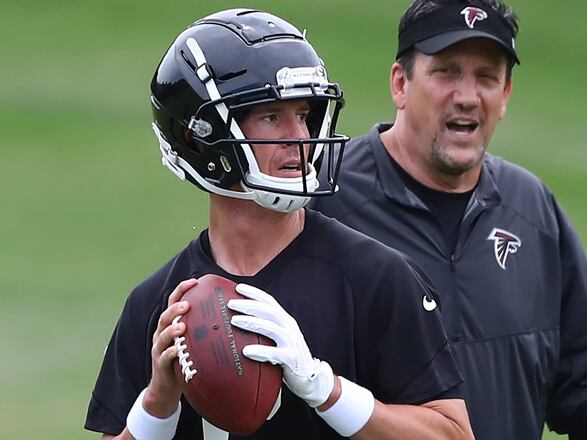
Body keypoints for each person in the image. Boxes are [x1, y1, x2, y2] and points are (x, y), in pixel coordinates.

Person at [84, 8, 475, 440]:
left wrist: (326, 389)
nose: (300, 137)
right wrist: (157, 404)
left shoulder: (377, 278)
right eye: (272, 117)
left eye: (303, 115)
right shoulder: (160, 303)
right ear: (201, 136)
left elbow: (453, 434)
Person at [310, 1, 587, 439]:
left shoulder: (531, 210)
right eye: (446, 72)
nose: (467, 96)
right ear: (400, 84)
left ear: (505, 95)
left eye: (487, 77)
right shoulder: (324, 198)